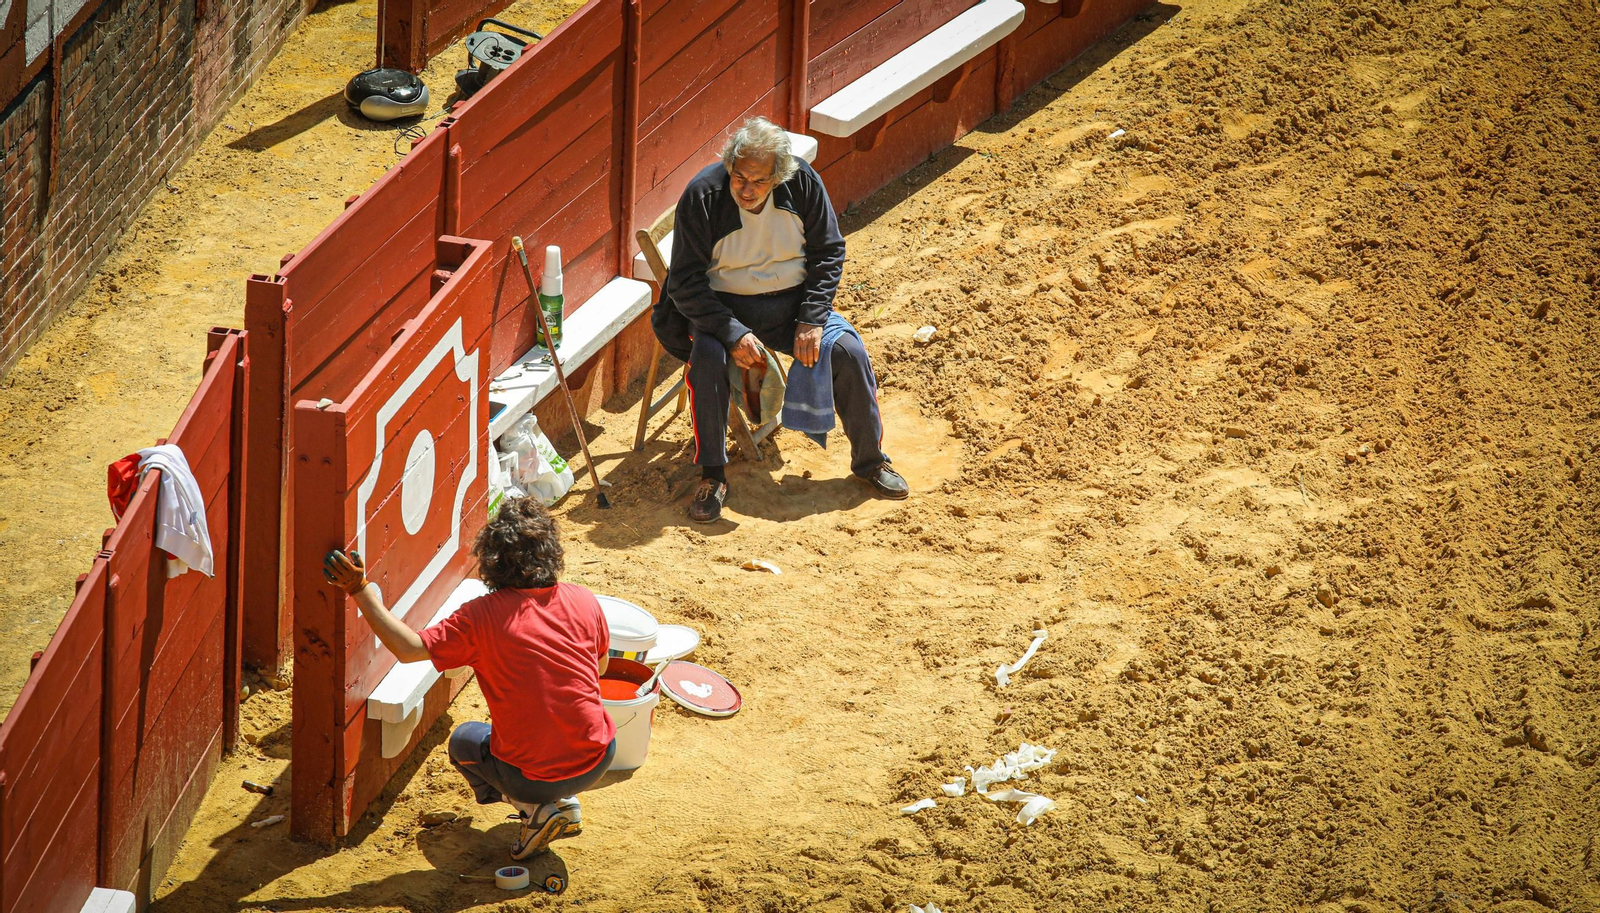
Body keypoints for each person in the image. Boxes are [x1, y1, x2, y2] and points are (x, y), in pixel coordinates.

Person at [321, 497, 616, 860]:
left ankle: (535, 809)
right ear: (551, 552)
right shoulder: (583, 599)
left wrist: (359, 589)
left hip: (531, 774)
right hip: (599, 757)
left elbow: (409, 649)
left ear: (492, 560)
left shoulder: (481, 617)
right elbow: (598, 671)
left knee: (464, 742)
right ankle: (560, 803)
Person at [652, 116, 909, 523]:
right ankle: (713, 475)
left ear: (779, 176)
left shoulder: (802, 182)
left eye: (758, 181)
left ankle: (871, 462)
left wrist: (812, 318)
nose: (747, 190)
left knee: (848, 351)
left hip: (793, 307)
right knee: (706, 359)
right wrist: (731, 332)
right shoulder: (703, 193)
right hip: (724, 310)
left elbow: (829, 251)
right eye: (739, 178)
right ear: (729, 167)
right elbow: (683, 282)